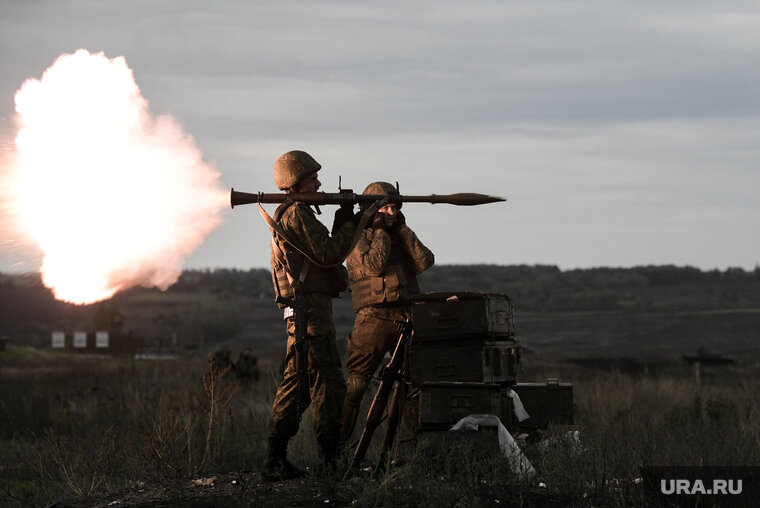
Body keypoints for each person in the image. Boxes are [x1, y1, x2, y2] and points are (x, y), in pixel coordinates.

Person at [262, 150, 363, 480]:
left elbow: (321, 254)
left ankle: (274, 460)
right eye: (312, 179)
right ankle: (331, 464)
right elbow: (330, 253)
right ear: (295, 185)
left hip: (308, 313)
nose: (319, 183)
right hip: (310, 316)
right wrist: (349, 219)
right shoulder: (297, 216)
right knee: (329, 384)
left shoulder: (296, 214)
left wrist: (343, 216)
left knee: (300, 386)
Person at [340, 181, 435, 443]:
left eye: (396, 208)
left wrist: (402, 229)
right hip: (373, 319)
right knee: (356, 386)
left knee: (413, 385)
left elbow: (424, 261)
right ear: (373, 210)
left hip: (406, 316)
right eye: (388, 208)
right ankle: (335, 453)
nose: (393, 213)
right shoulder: (357, 235)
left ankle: (408, 451)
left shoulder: (397, 234)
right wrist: (380, 231)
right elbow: (373, 266)